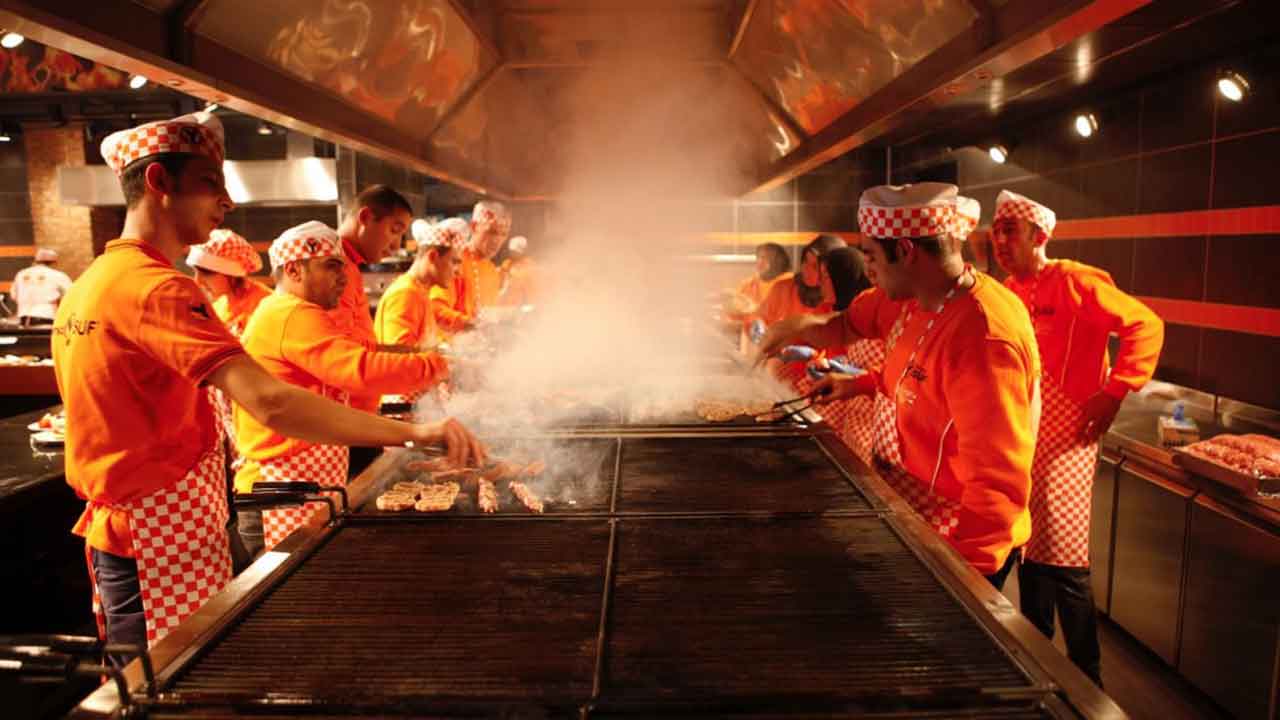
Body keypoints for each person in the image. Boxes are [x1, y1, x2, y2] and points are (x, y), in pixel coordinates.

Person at [52, 111, 485, 662]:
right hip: (156, 537)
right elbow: (273, 402)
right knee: (170, 689)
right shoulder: (155, 287)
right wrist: (419, 432)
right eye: (211, 182)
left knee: (155, 683)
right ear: (159, 183)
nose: (227, 201)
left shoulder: (92, 282)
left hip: (144, 533)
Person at [758, 183, 1040, 588]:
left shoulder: (984, 335)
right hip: (907, 499)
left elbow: (997, 482)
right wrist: (795, 330)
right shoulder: (908, 296)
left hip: (960, 528)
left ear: (906, 251)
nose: (866, 269)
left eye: (870, 256)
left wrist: (967, 582)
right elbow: (846, 325)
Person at [991, 189, 1164, 686]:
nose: (1000, 241)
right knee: (1029, 546)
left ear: (1040, 236)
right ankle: (1038, 660)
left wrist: (1115, 391)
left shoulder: (1073, 280)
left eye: (1011, 231)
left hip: (1069, 436)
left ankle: (1088, 678)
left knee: (1064, 557)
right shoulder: (1009, 289)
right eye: (996, 231)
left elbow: (1146, 325)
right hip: (1026, 433)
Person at [234, 221, 451, 552]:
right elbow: (360, 370)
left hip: (303, 486)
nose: (345, 277)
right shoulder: (291, 314)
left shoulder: (290, 312)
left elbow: (358, 357)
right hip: (280, 493)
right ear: (294, 270)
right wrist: (441, 367)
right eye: (332, 266)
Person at [333, 185, 415, 477]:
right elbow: (339, 359)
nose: (397, 244)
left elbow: (360, 346)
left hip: (360, 418)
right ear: (366, 217)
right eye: (395, 230)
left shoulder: (351, 267)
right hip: (343, 426)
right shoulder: (335, 268)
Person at [187, 229, 270, 337]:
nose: (198, 281)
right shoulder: (218, 307)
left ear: (230, 273)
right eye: (195, 272)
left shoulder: (264, 306)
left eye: (207, 274)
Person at [457, 200, 512, 317]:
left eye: (504, 234)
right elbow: (437, 310)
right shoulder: (455, 262)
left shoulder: (492, 270)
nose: (497, 240)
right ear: (474, 227)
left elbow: (489, 312)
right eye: (492, 232)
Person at [424, 219, 478, 337]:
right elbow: (437, 309)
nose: (458, 271)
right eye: (454, 262)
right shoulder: (408, 294)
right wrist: (472, 324)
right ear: (433, 257)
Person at [12, 247, 71, 326]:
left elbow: (14, 296)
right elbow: (71, 296)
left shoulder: (21, 274)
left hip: (24, 318)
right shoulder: (57, 275)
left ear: (36, 261)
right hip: (46, 317)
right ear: (54, 262)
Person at [496, 235, 539, 307]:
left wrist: (529, 303)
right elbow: (501, 279)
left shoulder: (529, 265)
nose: (511, 253)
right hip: (506, 302)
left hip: (520, 303)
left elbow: (531, 287)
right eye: (511, 251)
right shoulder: (507, 263)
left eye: (514, 251)